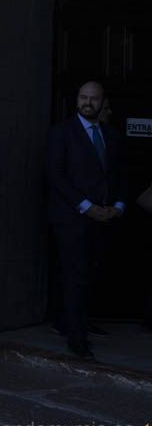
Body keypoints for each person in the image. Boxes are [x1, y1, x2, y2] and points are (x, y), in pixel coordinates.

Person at [45, 80, 127, 360]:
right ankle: (76, 338)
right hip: (72, 218)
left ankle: (77, 323)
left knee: (94, 274)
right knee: (74, 276)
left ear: (103, 102)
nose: (88, 102)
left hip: (105, 218)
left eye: (93, 98)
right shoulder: (62, 133)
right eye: (83, 97)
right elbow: (56, 175)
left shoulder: (112, 135)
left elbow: (119, 174)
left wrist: (117, 205)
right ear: (77, 99)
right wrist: (86, 206)